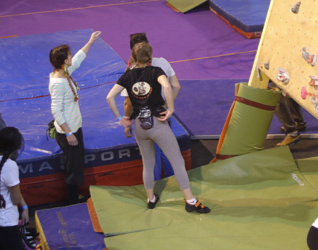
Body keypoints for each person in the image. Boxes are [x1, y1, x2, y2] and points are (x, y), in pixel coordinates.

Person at [106, 41, 210, 212]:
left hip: (140, 125)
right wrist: (171, 109)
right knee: (177, 161)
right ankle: (190, 200)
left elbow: (110, 97)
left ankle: (151, 198)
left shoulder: (127, 75)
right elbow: (168, 86)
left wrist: (120, 118)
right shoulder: (155, 71)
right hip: (157, 123)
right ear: (150, 57)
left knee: (148, 163)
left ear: (133, 57)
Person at [49, 32, 103, 205]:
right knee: (73, 168)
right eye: (69, 55)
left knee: (77, 163)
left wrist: (90, 42)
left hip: (74, 126)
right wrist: (68, 133)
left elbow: (79, 58)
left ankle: (75, 196)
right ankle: (73, 201)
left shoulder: (64, 72)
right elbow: (56, 110)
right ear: (64, 61)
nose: (72, 57)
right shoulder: (59, 83)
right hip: (69, 131)